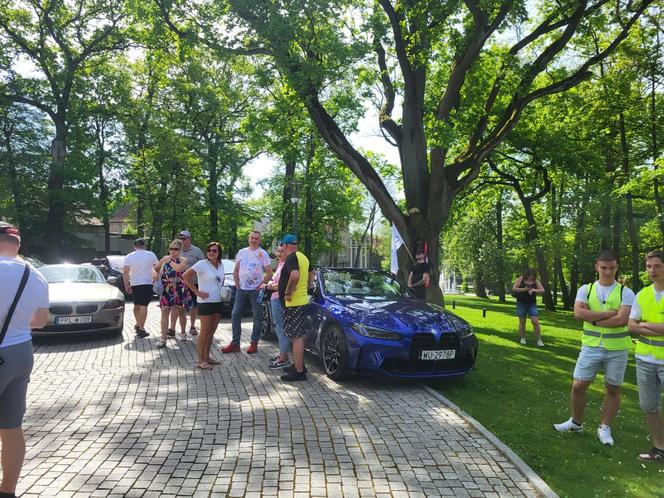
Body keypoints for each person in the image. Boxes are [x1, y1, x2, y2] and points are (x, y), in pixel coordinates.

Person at [554, 250, 635, 446]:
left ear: (616, 268)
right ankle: (576, 422)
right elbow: (578, 314)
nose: (608, 272)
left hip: (617, 349)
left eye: (612, 268)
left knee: (613, 388)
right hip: (591, 346)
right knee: (578, 385)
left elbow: (622, 320)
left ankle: (605, 427)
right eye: (604, 268)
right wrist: (608, 314)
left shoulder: (626, 292)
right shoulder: (586, 289)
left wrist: (595, 319)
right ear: (596, 267)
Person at [0, 222, 49, 498]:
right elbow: (40, 321)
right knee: (11, 427)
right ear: (17, 245)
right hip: (21, 352)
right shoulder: (35, 275)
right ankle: (7, 491)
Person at [627, 249, 664, 461]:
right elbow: (632, 326)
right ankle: (659, 448)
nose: (652, 270)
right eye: (649, 266)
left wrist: (645, 324)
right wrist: (654, 327)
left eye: (657, 266)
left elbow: (639, 324)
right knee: (649, 405)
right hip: (644, 359)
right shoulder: (643, 294)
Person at [221, 230, 272, 355]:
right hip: (241, 289)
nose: (254, 240)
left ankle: (254, 342)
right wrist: (237, 284)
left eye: (256, 238)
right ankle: (235, 343)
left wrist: (261, 285)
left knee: (257, 315)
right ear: (248, 239)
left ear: (260, 240)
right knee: (235, 314)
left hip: (256, 290)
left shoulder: (263, 254)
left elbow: (269, 273)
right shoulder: (242, 252)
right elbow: (236, 270)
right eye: (252, 238)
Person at [183, 242, 225, 370]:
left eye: (214, 251)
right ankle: (200, 361)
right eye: (209, 250)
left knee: (212, 331)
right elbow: (185, 276)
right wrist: (197, 292)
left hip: (218, 301)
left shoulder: (221, 264)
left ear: (219, 253)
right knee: (205, 331)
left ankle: (207, 357)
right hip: (205, 302)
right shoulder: (202, 264)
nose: (211, 253)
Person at [278, 233, 314, 382]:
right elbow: (312, 273)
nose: (282, 249)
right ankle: (299, 365)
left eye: (282, 246)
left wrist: (288, 291)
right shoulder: (303, 256)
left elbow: (294, 275)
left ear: (286, 245)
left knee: (297, 337)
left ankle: (299, 372)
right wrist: (307, 287)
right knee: (297, 336)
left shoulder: (292, 257)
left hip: (294, 303)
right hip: (301, 301)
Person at [154, 239, 191, 348]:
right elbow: (155, 268)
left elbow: (179, 268)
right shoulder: (165, 259)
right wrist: (154, 272)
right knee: (164, 312)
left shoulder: (183, 260)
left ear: (180, 250)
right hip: (167, 290)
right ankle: (163, 338)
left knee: (181, 311)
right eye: (171, 249)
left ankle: (183, 332)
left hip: (180, 289)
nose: (173, 251)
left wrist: (169, 261)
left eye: (176, 249)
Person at [122, 238, 158, 338]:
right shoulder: (151, 255)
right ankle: (141, 328)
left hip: (134, 283)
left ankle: (138, 323)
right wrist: (156, 280)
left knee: (136, 305)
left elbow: (125, 272)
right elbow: (157, 268)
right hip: (147, 283)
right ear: (144, 245)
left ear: (134, 246)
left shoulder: (129, 256)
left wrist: (126, 285)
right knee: (144, 306)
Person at [261, 245, 290, 369]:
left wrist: (270, 286)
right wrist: (270, 282)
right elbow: (277, 280)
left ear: (287, 252)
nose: (279, 253)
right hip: (274, 297)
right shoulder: (280, 264)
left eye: (282, 251)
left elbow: (286, 283)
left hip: (279, 298)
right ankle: (282, 354)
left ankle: (284, 357)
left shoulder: (287, 264)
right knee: (277, 326)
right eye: (278, 251)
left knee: (280, 327)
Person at [177, 230, 204, 337]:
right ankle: (182, 328)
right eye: (180, 239)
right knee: (180, 306)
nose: (182, 241)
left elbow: (203, 265)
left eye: (184, 239)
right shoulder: (177, 250)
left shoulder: (197, 251)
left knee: (193, 305)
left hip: (194, 282)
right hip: (180, 283)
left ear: (189, 239)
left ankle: (192, 326)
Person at [512, 268, 545, 346]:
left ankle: (539, 340)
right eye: (529, 275)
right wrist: (525, 289)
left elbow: (542, 290)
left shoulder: (536, 281)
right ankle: (523, 338)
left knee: (535, 322)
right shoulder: (521, 279)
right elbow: (514, 289)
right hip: (521, 303)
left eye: (532, 276)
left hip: (532, 304)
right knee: (522, 322)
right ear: (526, 275)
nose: (531, 277)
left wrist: (533, 290)